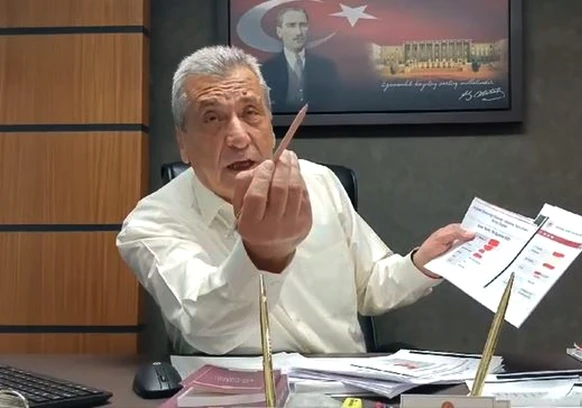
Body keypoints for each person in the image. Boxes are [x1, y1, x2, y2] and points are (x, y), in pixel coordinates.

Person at [116, 45, 475, 356]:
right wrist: (261, 254)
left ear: (270, 122)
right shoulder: (151, 223)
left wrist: (421, 263)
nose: (238, 137)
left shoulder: (319, 182)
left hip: (342, 386)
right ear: (183, 142)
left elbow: (370, 285)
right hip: (239, 394)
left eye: (250, 112)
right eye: (212, 118)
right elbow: (206, 328)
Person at [260, 7, 340, 112]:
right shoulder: (266, 69)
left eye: (303, 25)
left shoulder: (326, 67)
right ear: (279, 32)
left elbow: (333, 105)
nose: (298, 32)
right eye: (291, 25)